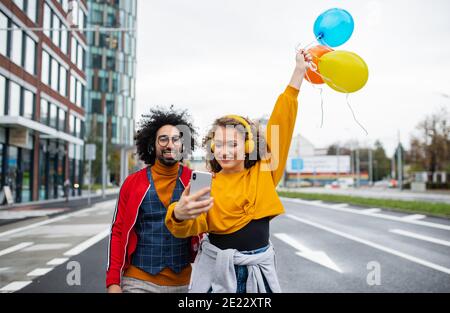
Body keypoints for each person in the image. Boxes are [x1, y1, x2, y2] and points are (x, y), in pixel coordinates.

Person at [165, 49, 312, 293]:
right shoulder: (208, 184)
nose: (224, 151)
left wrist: (298, 71)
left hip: (258, 271)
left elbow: (282, 120)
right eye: (219, 144)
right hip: (216, 273)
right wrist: (179, 214)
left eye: (233, 144)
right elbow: (187, 226)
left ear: (248, 147)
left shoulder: (264, 172)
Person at [106, 107, 200, 293]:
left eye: (175, 139)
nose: (169, 144)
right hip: (138, 280)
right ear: (152, 144)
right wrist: (113, 281)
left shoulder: (194, 180)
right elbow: (118, 232)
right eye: (163, 139)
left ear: (183, 145)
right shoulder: (132, 183)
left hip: (185, 283)